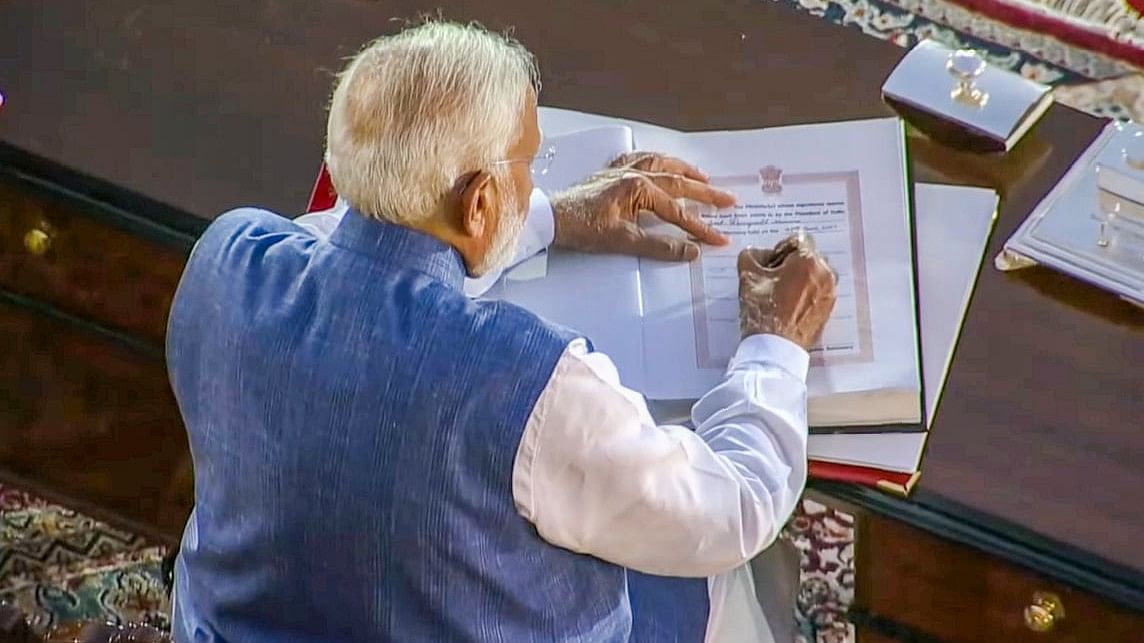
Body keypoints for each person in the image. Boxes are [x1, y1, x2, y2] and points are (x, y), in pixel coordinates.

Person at [166, 19, 836, 643]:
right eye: (528, 163)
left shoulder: (228, 255)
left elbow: (354, 245)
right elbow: (732, 508)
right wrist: (776, 342)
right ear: (480, 201)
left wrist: (549, 217)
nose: (534, 177)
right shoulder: (534, 383)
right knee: (716, 564)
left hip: (243, 622)